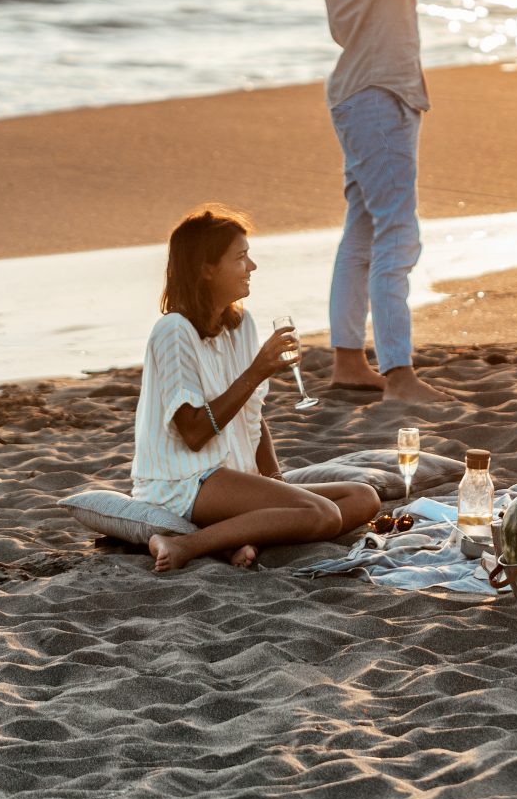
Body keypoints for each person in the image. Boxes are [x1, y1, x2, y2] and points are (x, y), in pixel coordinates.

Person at [317, 0, 472, 404]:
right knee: (397, 233)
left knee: (364, 229)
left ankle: (349, 361)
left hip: (374, 90)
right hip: (375, 92)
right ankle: (399, 374)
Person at [132, 205, 381, 573]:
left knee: (363, 497)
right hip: (184, 480)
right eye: (241, 258)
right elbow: (194, 432)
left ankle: (248, 535)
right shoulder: (173, 332)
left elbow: (253, 416)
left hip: (232, 474)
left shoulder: (240, 324)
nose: (252, 267)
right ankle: (186, 544)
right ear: (206, 269)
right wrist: (257, 370)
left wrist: (277, 481)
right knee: (323, 513)